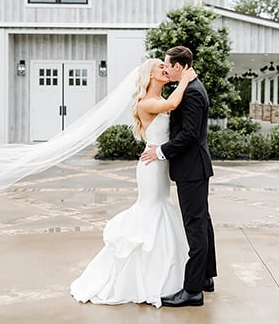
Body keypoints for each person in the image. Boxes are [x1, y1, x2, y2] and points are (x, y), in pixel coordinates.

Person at [70, 58, 197, 308]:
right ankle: (148, 276)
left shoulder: (159, 100)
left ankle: (171, 273)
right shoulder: (146, 102)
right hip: (151, 166)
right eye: (159, 67)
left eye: (165, 66)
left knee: (162, 207)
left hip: (161, 163)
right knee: (152, 211)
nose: (165, 69)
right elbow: (172, 103)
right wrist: (186, 80)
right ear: (150, 76)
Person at [140, 46, 217, 308]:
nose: (166, 69)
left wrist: (161, 151)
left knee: (195, 226)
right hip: (192, 168)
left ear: (179, 67)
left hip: (192, 168)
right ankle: (206, 277)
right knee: (202, 221)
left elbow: (189, 135)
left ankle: (192, 291)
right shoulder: (190, 87)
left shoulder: (193, 92)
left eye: (168, 65)